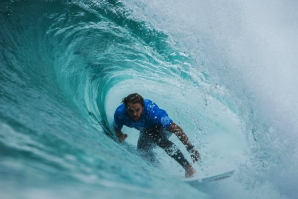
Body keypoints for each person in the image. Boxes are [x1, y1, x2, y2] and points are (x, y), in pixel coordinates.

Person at [113, 93, 200, 178]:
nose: (134, 114)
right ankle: (157, 170)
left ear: (142, 107)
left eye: (137, 110)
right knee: (142, 151)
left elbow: (176, 129)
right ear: (126, 108)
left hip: (161, 127)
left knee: (157, 138)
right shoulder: (120, 114)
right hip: (146, 129)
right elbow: (116, 129)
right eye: (131, 111)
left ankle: (189, 168)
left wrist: (190, 148)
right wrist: (120, 135)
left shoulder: (153, 113)